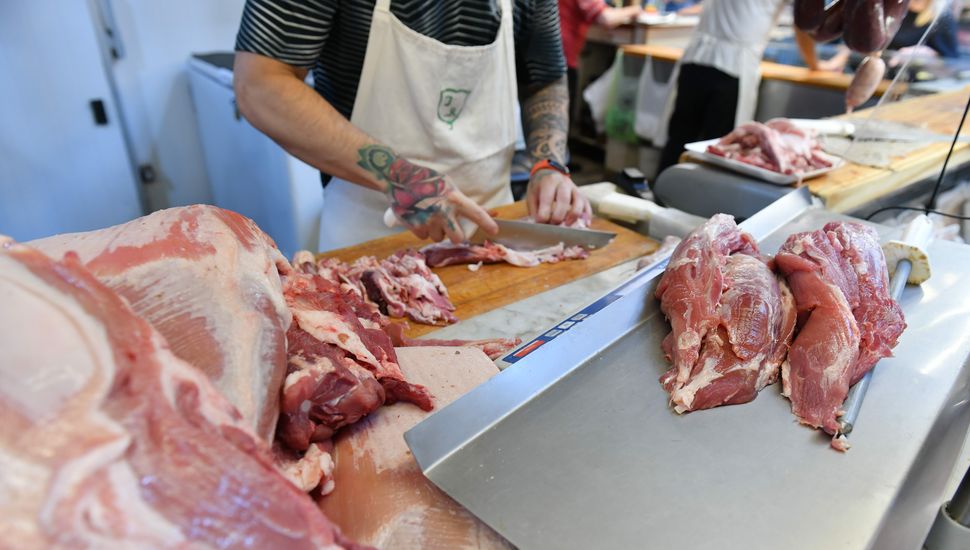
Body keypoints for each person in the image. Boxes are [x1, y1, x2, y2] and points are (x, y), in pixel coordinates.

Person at [234, 0, 591, 251]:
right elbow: (261, 84)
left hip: (493, 234)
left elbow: (543, 77)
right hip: (371, 241)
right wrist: (401, 176)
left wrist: (549, 163)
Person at [656, 0, 819, 175]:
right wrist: (815, 64)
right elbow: (803, 24)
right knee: (721, 148)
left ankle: (662, 195)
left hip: (696, 60)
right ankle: (692, 199)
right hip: (731, 68)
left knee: (681, 138)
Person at [818, 0, 960, 73]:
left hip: (902, 81)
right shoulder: (892, 6)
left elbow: (950, 59)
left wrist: (922, 52)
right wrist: (838, 60)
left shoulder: (941, 19)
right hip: (860, 72)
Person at [558, 1, 644, 116]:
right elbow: (606, 18)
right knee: (561, 118)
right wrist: (635, 10)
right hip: (561, 58)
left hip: (548, 52)